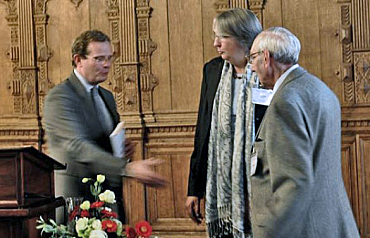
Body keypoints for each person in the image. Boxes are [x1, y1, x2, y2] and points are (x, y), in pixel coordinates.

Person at [248, 27, 360, 238]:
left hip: (303, 227)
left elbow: (294, 182)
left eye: (253, 58)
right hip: (331, 222)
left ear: (266, 57)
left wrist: (270, 231)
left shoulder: (285, 102)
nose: (252, 67)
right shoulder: (321, 89)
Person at [43, 30, 166, 221]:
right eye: (99, 59)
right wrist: (127, 168)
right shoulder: (60, 96)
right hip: (76, 201)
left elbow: (102, 141)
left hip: (108, 198)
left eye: (109, 58)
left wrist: (119, 149)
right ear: (78, 60)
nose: (107, 64)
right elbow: (77, 146)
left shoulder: (106, 96)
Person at [186, 9, 267, 238]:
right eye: (215, 36)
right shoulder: (212, 71)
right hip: (220, 185)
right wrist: (194, 188)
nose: (216, 43)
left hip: (260, 181)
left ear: (242, 38)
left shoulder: (267, 70)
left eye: (223, 37)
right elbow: (203, 131)